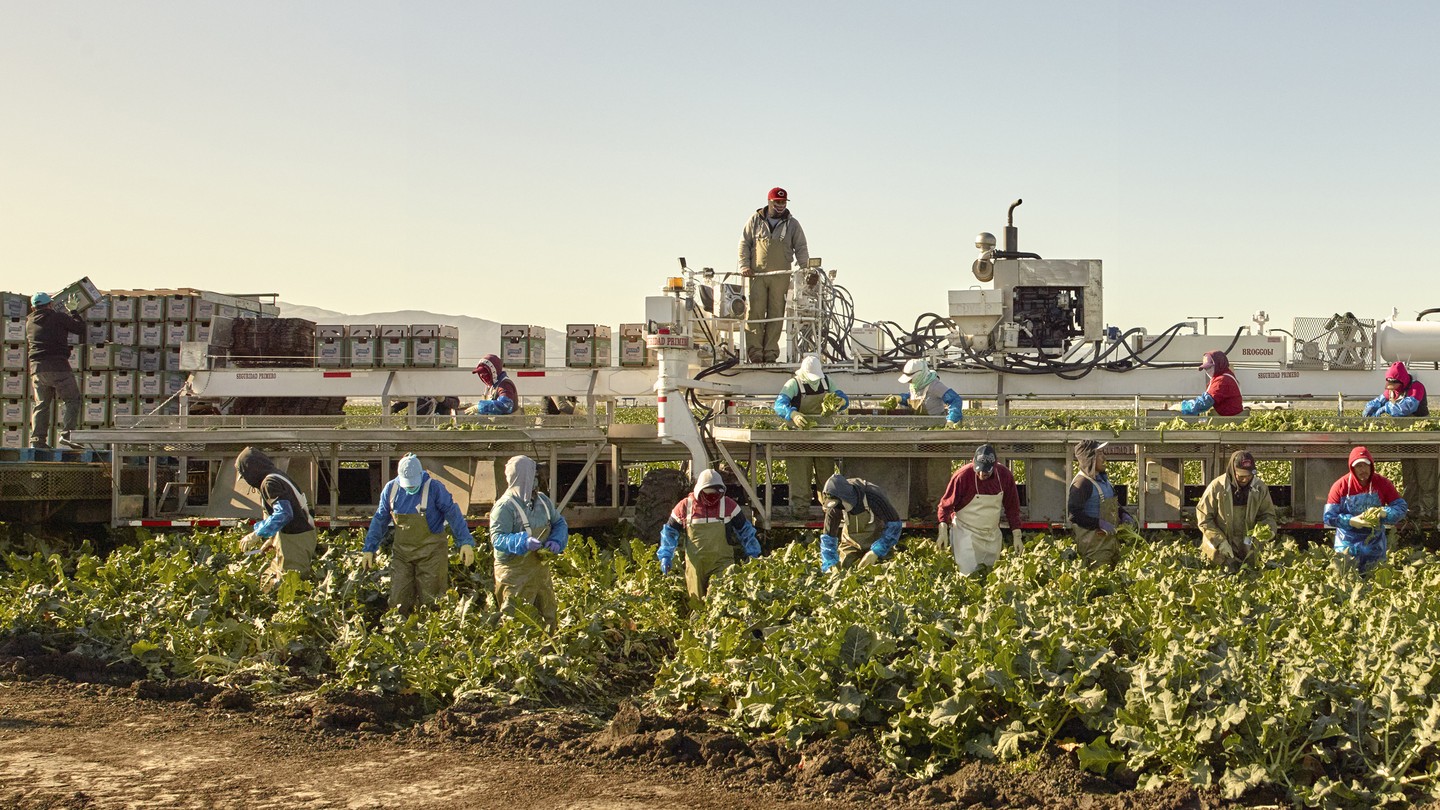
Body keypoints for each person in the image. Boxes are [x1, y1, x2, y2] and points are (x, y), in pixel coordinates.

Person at [361, 453, 477, 616]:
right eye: (407, 485)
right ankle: (401, 634)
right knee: (398, 600)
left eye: (413, 484)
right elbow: (380, 519)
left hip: (432, 554)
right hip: (402, 554)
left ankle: (431, 638)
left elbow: (453, 514)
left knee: (432, 601)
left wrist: (465, 541)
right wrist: (369, 548)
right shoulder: (391, 489)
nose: (410, 488)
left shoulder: (434, 488)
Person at [489, 455, 568, 627]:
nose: (536, 482)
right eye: (533, 477)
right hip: (514, 572)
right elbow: (497, 538)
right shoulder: (504, 507)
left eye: (537, 478)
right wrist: (522, 542)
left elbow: (559, 522)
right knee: (516, 621)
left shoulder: (542, 501)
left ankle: (548, 651)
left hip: (540, 570)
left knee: (548, 616)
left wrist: (556, 540)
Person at [657, 469, 762, 599]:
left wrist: (753, 552)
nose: (712, 498)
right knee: (696, 603)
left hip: (722, 563)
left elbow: (745, 530)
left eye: (716, 495)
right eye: (708, 494)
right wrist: (666, 555)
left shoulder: (729, 505)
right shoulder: (685, 506)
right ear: (699, 491)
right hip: (696, 566)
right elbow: (670, 532)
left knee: (722, 599)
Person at [738, 187, 809, 364]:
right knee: (755, 313)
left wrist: (806, 271)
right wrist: (744, 265)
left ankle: (770, 353)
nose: (780, 205)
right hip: (757, 275)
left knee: (777, 313)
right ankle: (755, 353)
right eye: (777, 202)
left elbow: (801, 247)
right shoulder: (755, 220)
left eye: (783, 202)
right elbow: (744, 244)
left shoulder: (793, 224)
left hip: (781, 276)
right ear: (770, 202)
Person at [774, 355, 849, 510]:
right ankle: (800, 510)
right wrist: (792, 414)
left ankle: (829, 511)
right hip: (798, 440)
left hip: (823, 438)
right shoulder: (793, 384)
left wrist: (841, 402)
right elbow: (779, 404)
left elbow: (842, 397)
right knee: (800, 477)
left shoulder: (826, 382)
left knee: (827, 476)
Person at [235, 447, 318, 585]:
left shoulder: (269, 483)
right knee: (268, 581)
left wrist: (256, 534)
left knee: (291, 586)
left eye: (245, 475)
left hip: (295, 539)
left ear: (252, 470)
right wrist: (273, 539)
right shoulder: (276, 476)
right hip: (293, 536)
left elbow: (284, 513)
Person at [1362, 361, 1434, 519]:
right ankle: (1411, 511)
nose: (1392, 389)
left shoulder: (1416, 387)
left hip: (1423, 439)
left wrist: (1385, 408)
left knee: (1425, 478)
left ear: (1402, 380)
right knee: (1409, 477)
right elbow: (1380, 399)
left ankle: (1428, 513)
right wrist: (1371, 406)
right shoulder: (1393, 388)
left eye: (1394, 384)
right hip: (1407, 439)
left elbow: (1407, 407)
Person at [936, 444, 1023, 573]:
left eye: (986, 471)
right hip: (965, 533)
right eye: (978, 470)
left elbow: (1012, 507)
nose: (981, 474)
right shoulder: (962, 476)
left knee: (990, 576)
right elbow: (946, 505)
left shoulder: (1004, 476)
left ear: (994, 467)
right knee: (967, 575)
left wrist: (1017, 535)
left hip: (991, 535)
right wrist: (942, 529)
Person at [1323, 446, 1407, 571]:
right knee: (1346, 580)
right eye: (1359, 466)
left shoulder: (1382, 484)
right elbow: (1329, 517)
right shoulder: (1340, 486)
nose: (1363, 470)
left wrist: (1385, 513)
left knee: (1375, 581)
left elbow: (1401, 507)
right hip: (1347, 545)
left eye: (1366, 465)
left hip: (1374, 546)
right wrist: (1351, 521)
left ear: (1371, 466)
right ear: (1352, 468)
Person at [1194, 451, 1278, 572]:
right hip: (1221, 548)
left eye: (1248, 475)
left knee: (1250, 577)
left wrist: (1268, 531)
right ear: (1232, 471)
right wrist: (1220, 542)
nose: (1245, 479)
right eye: (1241, 475)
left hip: (1247, 546)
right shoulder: (1216, 487)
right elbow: (1204, 519)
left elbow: (1268, 515)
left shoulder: (1260, 488)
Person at [25, 292, 86, 449]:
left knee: (42, 404)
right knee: (72, 400)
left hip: (37, 369)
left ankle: (37, 440)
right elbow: (80, 328)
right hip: (58, 367)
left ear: (33, 307)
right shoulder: (58, 317)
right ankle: (67, 435)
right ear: (50, 304)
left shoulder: (29, 321)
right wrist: (73, 311)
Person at [819, 473, 904, 572]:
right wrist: (829, 563)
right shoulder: (834, 506)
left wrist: (875, 552)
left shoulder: (873, 495)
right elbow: (828, 537)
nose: (838, 508)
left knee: (883, 570)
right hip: (850, 543)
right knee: (844, 570)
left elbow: (894, 525)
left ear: (848, 498)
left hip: (878, 541)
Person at [1067, 439, 1133, 567]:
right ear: (1089, 458)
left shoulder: (1103, 481)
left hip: (1110, 543)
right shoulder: (1082, 483)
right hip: (1094, 547)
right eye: (1100, 454)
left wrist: (1123, 513)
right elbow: (1074, 515)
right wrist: (1099, 523)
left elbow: (1111, 503)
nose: (1104, 457)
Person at [894, 358, 963, 425]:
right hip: (917, 426)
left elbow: (955, 400)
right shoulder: (915, 385)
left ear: (919, 375)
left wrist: (951, 420)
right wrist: (901, 398)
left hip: (935, 426)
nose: (909, 381)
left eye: (910, 379)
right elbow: (912, 398)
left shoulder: (934, 385)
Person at [1179, 350, 1243, 416]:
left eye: (1209, 367)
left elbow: (1206, 401)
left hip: (1232, 418)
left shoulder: (1222, 380)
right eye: (1206, 369)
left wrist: (1189, 407)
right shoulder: (1223, 376)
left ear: (1219, 364)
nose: (1208, 371)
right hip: (1230, 417)